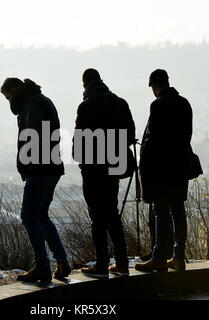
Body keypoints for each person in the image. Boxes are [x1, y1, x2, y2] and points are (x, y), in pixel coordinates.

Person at [0, 77, 71, 281]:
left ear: (14, 91)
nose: (9, 103)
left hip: (40, 169)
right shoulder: (39, 101)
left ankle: (42, 266)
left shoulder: (32, 106)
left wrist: (29, 164)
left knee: (29, 217)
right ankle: (62, 262)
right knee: (41, 216)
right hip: (50, 168)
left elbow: (34, 137)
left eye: (8, 97)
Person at [73, 68, 136, 278]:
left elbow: (79, 142)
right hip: (114, 165)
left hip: (93, 168)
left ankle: (101, 265)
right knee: (112, 214)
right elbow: (129, 135)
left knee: (97, 217)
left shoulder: (86, 106)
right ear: (101, 80)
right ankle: (122, 263)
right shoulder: (120, 103)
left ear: (84, 86)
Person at [135, 69, 192, 272]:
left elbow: (153, 138)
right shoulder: (185, 104)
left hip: (161, 168)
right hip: (180, 166)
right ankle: (178, 257)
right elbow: (187, 135)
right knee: (178, 210)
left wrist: (145, 163)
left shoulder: (158, 105)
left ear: (154, 86)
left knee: (160, 211)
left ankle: (159, 257)